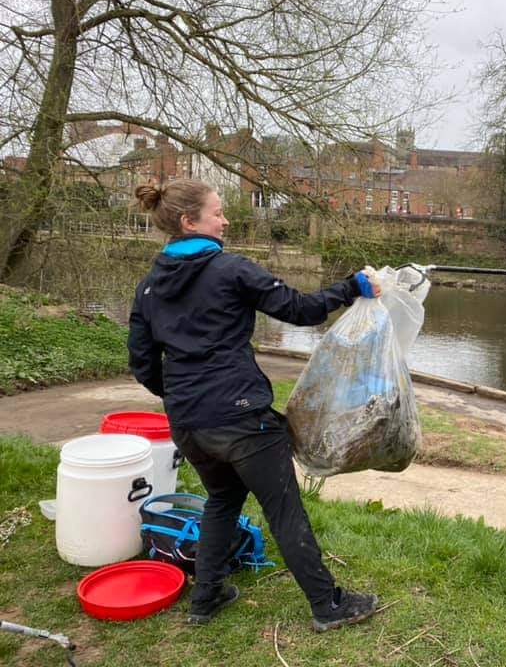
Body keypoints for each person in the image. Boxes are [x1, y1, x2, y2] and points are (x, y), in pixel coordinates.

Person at [127, 178, 381, 632]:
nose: (225, 219)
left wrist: (183, 398)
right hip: (242, 418)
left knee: (222, 498)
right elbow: (302, 310)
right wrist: (352, 286)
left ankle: (206, 598)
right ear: (190, 222)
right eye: (217, 212)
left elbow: (142, 363)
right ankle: (328, 605)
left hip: (188, 421)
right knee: (283, 509)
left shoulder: (148, 287)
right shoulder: (231, 269)